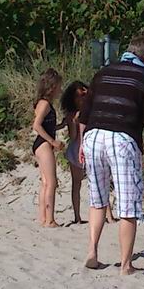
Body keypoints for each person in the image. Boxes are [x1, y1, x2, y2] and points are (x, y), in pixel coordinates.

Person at [78, 34, 144, 274]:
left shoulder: (103, 73)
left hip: (93, 137)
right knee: (128, 205)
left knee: (97, 200)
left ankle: (92, 252)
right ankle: (126, 265)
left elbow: (85, 113)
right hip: (122, 140)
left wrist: (83, 144)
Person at [31, 68, 64, 228]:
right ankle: (49, 219)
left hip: (40, 144)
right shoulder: (44, 104)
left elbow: (47, 126)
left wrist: (62, 125)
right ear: (52, 87)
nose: (60, 90)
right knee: (51, 182)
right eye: (59, 87)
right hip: (43, 144)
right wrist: (53, 141)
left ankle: (43, 218)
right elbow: (37, 125)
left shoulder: (42, 103)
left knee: (45, 182)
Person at [60, 80, 90, 225]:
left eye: (83, 95)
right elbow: (72, 137)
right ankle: (77, 216)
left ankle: (108, 215)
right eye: (78, 96)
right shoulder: (71, 115)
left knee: (99, 181)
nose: (81, 99)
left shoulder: (91, 110)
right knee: (76, 184)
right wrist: (74, 123)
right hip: (76, 149)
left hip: (91, 149)